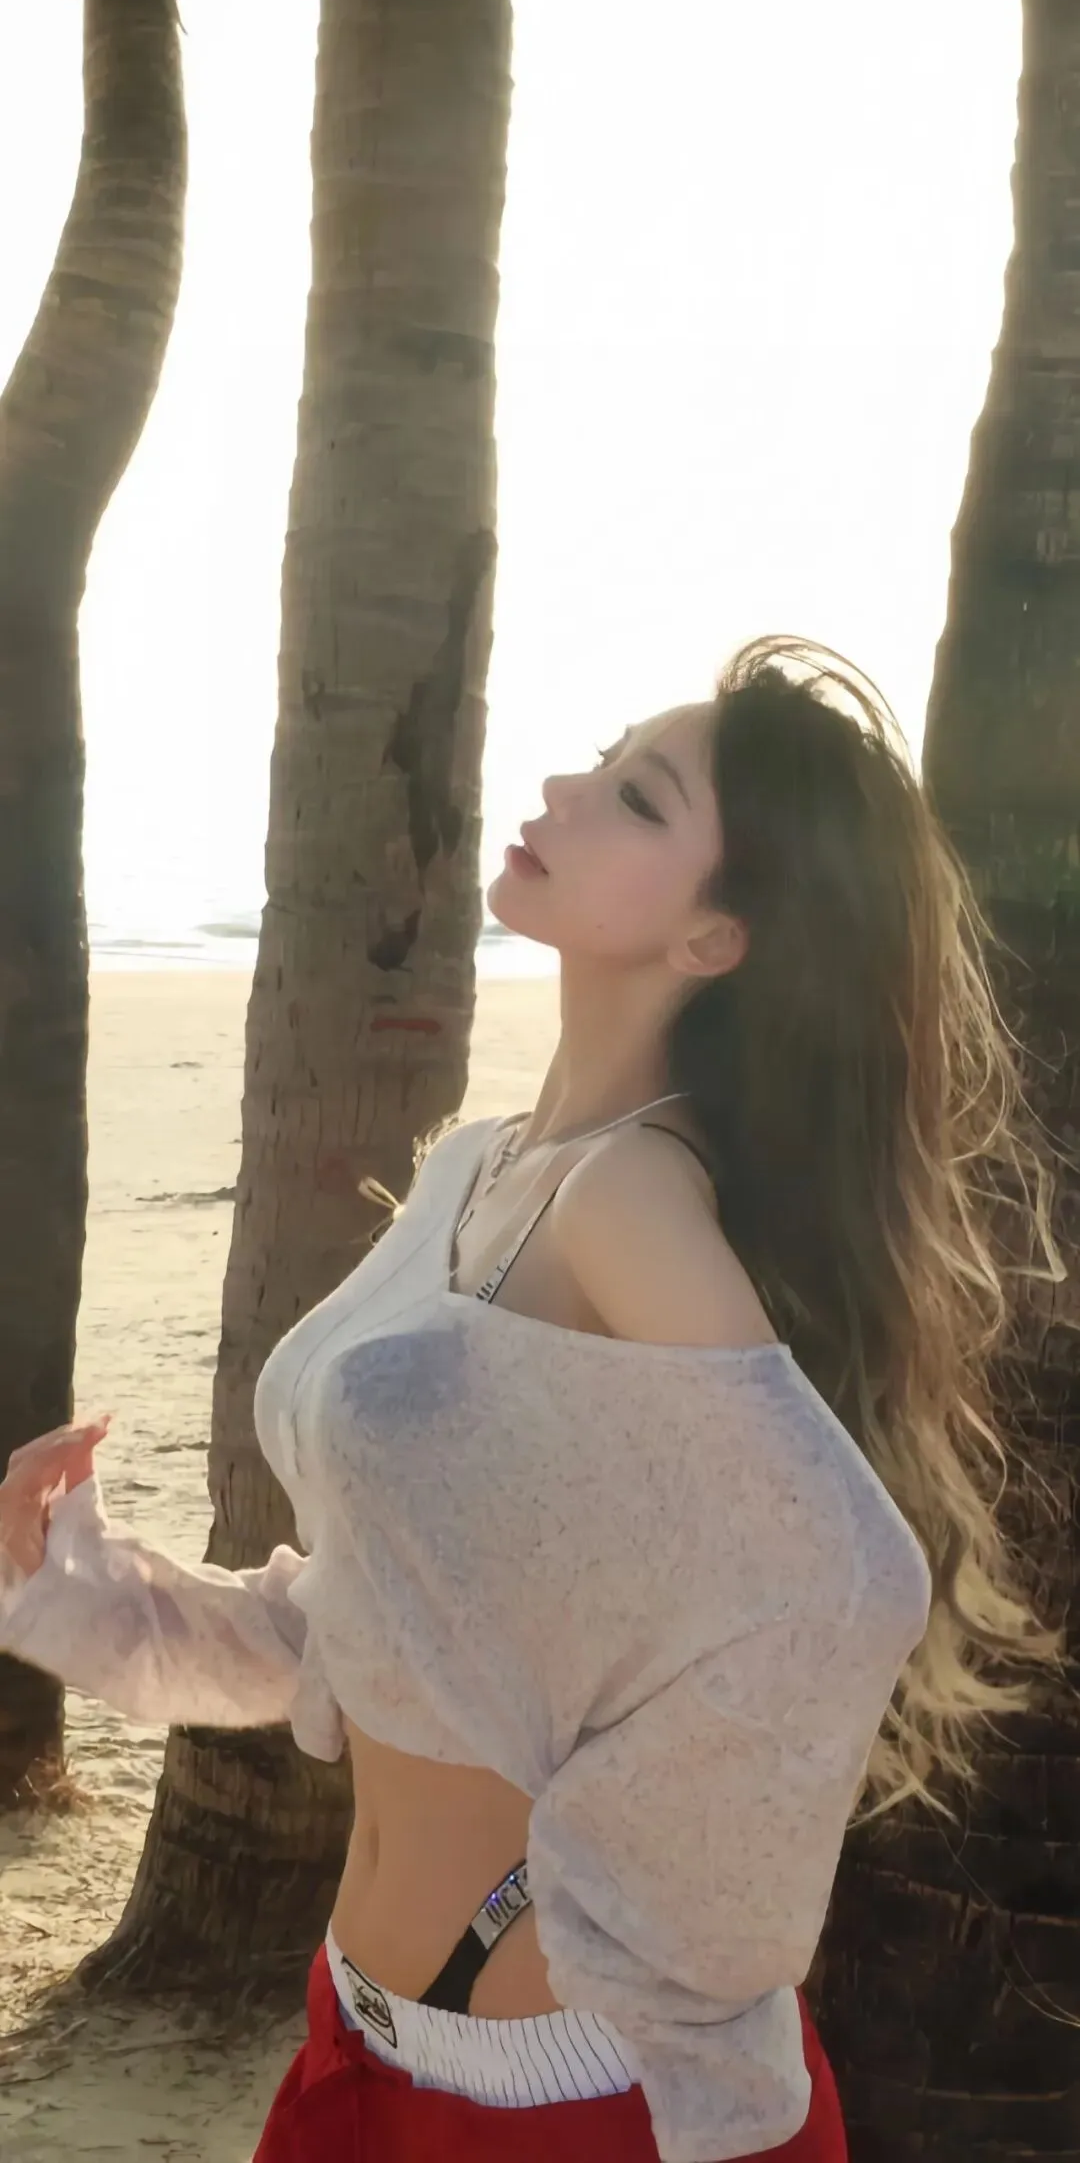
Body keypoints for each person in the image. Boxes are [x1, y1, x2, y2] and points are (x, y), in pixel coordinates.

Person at [0, 638, 1066, 2163]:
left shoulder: (630, 1195)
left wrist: (593, 1874)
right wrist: (86, 1589)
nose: (567, 784)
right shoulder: (479, 1166)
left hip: (571, 2091)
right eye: (604, 758)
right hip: (360, 2036)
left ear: (716, 935)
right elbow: (387, 1621)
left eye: (638, 796)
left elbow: (847, 1579)